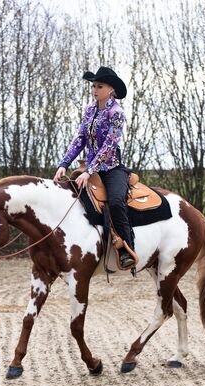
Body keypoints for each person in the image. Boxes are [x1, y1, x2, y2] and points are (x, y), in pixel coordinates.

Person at [53, 66, 136, 269]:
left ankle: (127, 249)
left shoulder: (117, 113)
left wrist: (91, 170)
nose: (94, 90)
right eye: (93, 86)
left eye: (99, 86)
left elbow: (110, 145)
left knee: (116, 202)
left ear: (111, 89)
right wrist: (64, 164)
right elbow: (80, 139)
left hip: (111, 168)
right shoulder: (89, 110)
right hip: (89, 166)